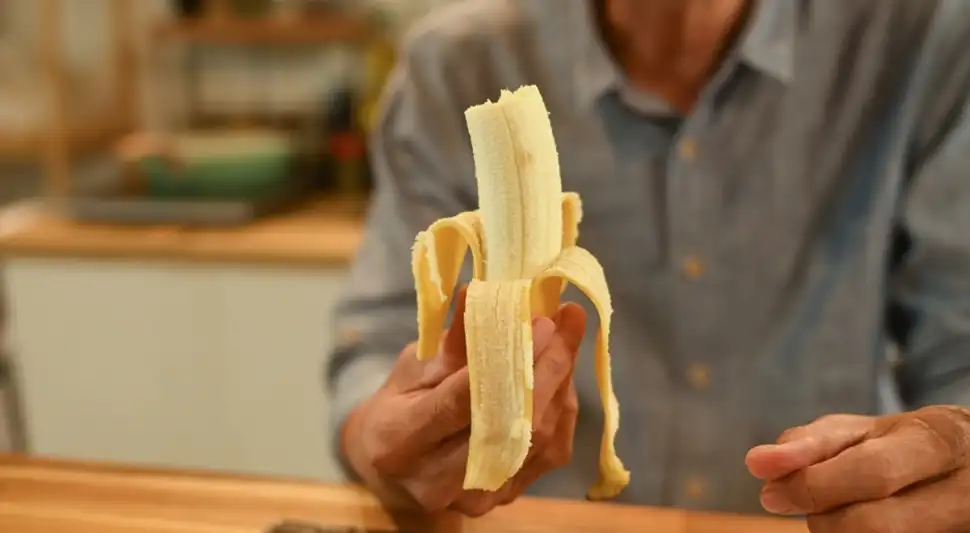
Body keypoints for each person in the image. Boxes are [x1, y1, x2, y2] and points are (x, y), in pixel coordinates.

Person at [326, 0, 970, 530]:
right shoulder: (455, 64)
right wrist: (387, 440)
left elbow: (959, 357)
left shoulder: (928, 41)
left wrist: (951, 448)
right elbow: (378, 350)